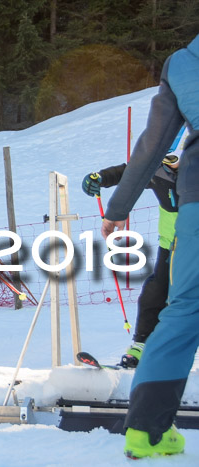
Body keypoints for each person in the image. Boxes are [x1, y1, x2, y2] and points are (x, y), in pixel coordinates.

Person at [101, 34, 198, 459]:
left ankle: (146, 432)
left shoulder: (183, 62)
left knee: (183, 310)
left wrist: (118, 206)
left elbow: (152, 146)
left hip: (196, 203)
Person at [81, 126, 187, 368]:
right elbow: (129, 173)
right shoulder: (157, 169)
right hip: (170, 243)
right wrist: (101, 177)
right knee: (155, 292)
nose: (168, 165)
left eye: (172, 159)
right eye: (164, 158)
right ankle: (141, 345)